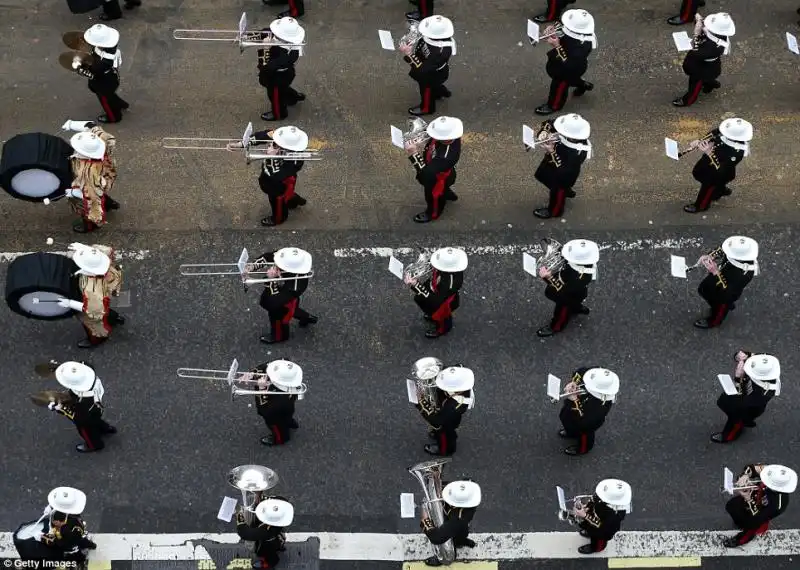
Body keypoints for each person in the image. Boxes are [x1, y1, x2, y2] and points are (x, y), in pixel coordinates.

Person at [227, 126, 309, 227]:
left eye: (277, 144)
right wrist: (243, 144)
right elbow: (263, 135)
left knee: (276, 199)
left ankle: (279, 218)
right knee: (285, 193)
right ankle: (294, 200)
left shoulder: (296, 160)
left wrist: (273, 157)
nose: (273, 142)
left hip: (278, 182)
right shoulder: (280, 136)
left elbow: (279, 175)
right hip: (267, 175)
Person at [57, 242, 125, 348]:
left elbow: (93, 311)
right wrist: (85, 250)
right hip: (107, 289)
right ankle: (114, 318)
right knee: (106, 310)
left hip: (96, 303)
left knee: (93, 324)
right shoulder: (103, 259)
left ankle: (98, 339)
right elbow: (106, 250)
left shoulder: (92, 290)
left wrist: (70, 303)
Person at [682, 118, 751, 213]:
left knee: (708, 187)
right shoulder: (728, 130)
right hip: (708, 161)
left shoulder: (738, 152)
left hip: (718, 174)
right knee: (697, 172)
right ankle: (721, 189)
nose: (722, 132)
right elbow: (715, 132)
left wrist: (709, 152)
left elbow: (722, 169)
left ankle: (701, 206)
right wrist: (700, 141)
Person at [535, 9, 596, 115]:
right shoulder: (577, 27)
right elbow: (563, 24)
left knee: (559, 85)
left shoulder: (582, 46)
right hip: (562, 62)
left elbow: (569, 64)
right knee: (571, 80)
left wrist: (557, 46)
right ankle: (583, 85)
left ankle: (553, 105)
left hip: (569, 68)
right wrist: (553, 28)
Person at [62, 122, 121, 233]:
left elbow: (91, 196)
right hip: (106, 172)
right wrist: (72, 124)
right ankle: (108, 204)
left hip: (94, 183)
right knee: (98, 190)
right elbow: (91, 126)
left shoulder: (88, 172)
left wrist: (73, 193)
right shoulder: (100, 141)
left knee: (84, 204)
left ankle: (91, 225)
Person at [250, 248, 317, 344]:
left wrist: (271, 280)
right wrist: (252, 267)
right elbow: (269, 256)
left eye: (280, 265)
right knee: (293, 309)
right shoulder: (287, 256)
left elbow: (272, 302)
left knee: (277, 315)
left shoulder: (296, 286)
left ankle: (279, 336)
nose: (276, 265)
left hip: (285, 298)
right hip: (286, 294)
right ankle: (307, 318)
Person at [531, 113, 591, 219]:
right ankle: (567, 191)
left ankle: (555, 211)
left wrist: (552, 151)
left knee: (558, 190)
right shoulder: (568, 127)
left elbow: (564, 170)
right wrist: (543, 133)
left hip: (564, 174)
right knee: (543, 175)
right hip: (553, 162)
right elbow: (549, 123)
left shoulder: (578, 152)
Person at [48, 361, 116, 453]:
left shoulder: (83, 402)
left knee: (85, 430)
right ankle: (105, 429)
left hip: (86, 412)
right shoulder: (90, 374)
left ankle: (94, 445)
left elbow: (77, 418)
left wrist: (60, 408)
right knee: (96, 420)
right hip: (96, 407)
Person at [692, 235, 758, 329]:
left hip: (726, 291)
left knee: (721, 305)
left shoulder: (744, 274)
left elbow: (727, 292)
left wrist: (716, 272)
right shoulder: (737, 251)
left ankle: (714, 322)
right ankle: (720, 306)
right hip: (720, 275)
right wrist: (709, 256)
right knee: (703, 289)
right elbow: (722, 250)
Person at [536, 239, 598, 337]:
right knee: (576, 301)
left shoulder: (578, 278)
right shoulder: (585, 264)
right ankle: (576, 307)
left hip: (568, 296)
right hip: (578, 292)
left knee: (561, 312)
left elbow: (562, 291)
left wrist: (548, 278)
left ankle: (555, 327)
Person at [713, 352, 780, 444]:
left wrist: (738, 378)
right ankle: (745, 422)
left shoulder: (765, 392)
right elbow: (748, 355)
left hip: (747, 408)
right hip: (745, 397)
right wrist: (739, 356)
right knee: (725, 403)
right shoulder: (767, 361)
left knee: (735, 419)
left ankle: (727, 436)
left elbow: (740, 400)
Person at [723, 464, 796, 547]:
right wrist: (745, 475)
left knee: (750, 527)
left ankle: (741, 540)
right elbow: (753, 468)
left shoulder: (777, 505)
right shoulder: (771, 472)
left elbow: (757, 519)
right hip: (754, 496)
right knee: (731, 506)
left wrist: (748, 499)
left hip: (758, 512)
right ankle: (739, 523)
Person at [405, 116, 462, 223]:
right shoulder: (451, 135)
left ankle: (432, 213)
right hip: (446, 173)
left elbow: (425, 176)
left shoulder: (446, 157)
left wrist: (413, 153)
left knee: (433, 197)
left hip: (437, 179)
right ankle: (447, 194)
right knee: (445, 188)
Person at [673, 13, 735, 107]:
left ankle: (688, 100)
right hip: (708, 65)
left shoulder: (714, 47)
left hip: (703, 68)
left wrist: (696, 34)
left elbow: (696, 52)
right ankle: (712, 84)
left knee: (694, 84)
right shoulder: (717, 33)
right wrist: (699, 21)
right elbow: (704, 27)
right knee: (707, 78)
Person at [399, 16, 455, 116]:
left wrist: (409, 54)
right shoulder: (436, 39)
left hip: (432, 74)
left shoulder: (440, 51)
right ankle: (442, 92)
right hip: (436, 70)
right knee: (435, 85)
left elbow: (423, 70)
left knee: (426, 88)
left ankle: (427, 108)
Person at [406, 247, 467, 338]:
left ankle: (443, 330)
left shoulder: (448, 284)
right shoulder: (450, 270)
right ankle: (431, 315)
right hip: (435, 290)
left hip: (443, 303)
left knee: (442, 317)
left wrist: (416, 285)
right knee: (421, 301)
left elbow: (435, 301)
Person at [73, 24, 129, 124]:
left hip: (103, 83)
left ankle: (114, 117)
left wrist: (79, 67)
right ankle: (120, 104)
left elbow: (91, 71)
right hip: (111, 78)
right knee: (110, 95)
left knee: (105, 101)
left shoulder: (104, 62)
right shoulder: (110, 47)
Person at [415, 365, 474, 456]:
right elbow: (449, 370)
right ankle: (439, 435)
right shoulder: (459, 371)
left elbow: (436, 421)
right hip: (447, 406)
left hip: (448, 418)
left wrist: (420, 403)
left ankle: (445, 450)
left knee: (443, 433)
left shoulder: (454, 406)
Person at [558, 367, 618, 456]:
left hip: (585, 421)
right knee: (565, 417)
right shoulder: (596, 373)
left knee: (584, 433)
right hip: (578, 405)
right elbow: (581, 372)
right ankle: (571, 432)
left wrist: (574, 401)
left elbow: (584, 422)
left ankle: (583, 449)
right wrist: (574, 382)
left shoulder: (601, 406)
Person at [420, 480, 480, 566]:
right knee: (460, 533)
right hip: (455, 519)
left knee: (449, 535)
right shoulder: (464, 489)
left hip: (455, 522)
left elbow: (436, 538)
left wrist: (424, 516)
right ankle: (461, 541)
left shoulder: (458, 519)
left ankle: (442, 557)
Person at [256, 18, 306, 122]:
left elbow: (268, 67)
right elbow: (266, 32)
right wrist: (247, 37)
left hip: (278, 77)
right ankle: (294, 97)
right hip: (286, 75)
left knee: (275, 96)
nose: (274, 33)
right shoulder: (286, 37)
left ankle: (279, 114)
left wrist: (265, 47)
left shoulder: (290, 55)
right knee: (283, 90)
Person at [249, 360, 302, 446]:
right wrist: (254, 372)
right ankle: (290, 423)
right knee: (287, 417)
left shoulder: (280, 402)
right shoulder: (290, 374)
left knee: (277, 427)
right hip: (288, 408)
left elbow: (264, 411)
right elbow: (278, 361)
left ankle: (280, 439)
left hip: (277, 413)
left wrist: (262, 388)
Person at [571, 479, 631, 554]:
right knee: (591, 530)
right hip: (596, 518)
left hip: (602, 530)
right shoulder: (605, 496)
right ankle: (589, 532)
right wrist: (587, 507)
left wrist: (585, 515)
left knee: (599, 541)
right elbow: (595, 500)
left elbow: (601, 526)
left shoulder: (613, 516)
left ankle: (595, 548)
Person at [235, 497, 294, 568]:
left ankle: (267, 564)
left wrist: (239, 516)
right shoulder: (280, 515)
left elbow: (244, 533)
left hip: (267, 545)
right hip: (277, 537)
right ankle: (278, 549)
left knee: (268, 555)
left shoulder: (267, 531)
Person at [41, 488, 97, 561]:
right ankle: (90, 545)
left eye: (55, 522)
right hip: (74, 534)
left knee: (73, 552)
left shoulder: (68, 530)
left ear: (59, 522)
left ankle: (79, 558)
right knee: (83, 541)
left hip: (71, 543)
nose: (54, 522)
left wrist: (46, 539)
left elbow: (62, 543)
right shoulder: (69, 514)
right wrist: (50, 507)